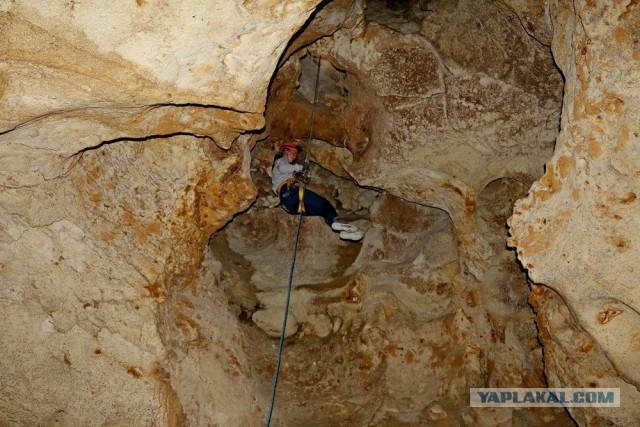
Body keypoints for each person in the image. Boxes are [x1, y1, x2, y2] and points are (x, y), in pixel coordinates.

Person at [272, 140, 364, 241]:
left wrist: (301, 175)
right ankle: (338, 222)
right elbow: (283, 168)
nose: (295, 157)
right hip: (291, 192)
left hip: (288, 205)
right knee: (324, 203)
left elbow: (286, 173)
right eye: (293, 153)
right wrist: (301, 167)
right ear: (286, 151)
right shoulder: (281, 160)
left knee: (322, 210)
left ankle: (342, 231)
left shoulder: (283, 172)